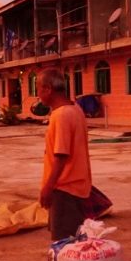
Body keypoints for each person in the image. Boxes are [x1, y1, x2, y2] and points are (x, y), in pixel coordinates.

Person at [37, 68, 92, 245]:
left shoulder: (61, 115)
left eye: (38, 89)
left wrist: (48, 187)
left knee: (64, 241)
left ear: (47, 89)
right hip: (77, 185)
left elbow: (61, 155)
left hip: (64, 187)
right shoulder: (75, 108)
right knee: (72, 236)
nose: (38, 95)